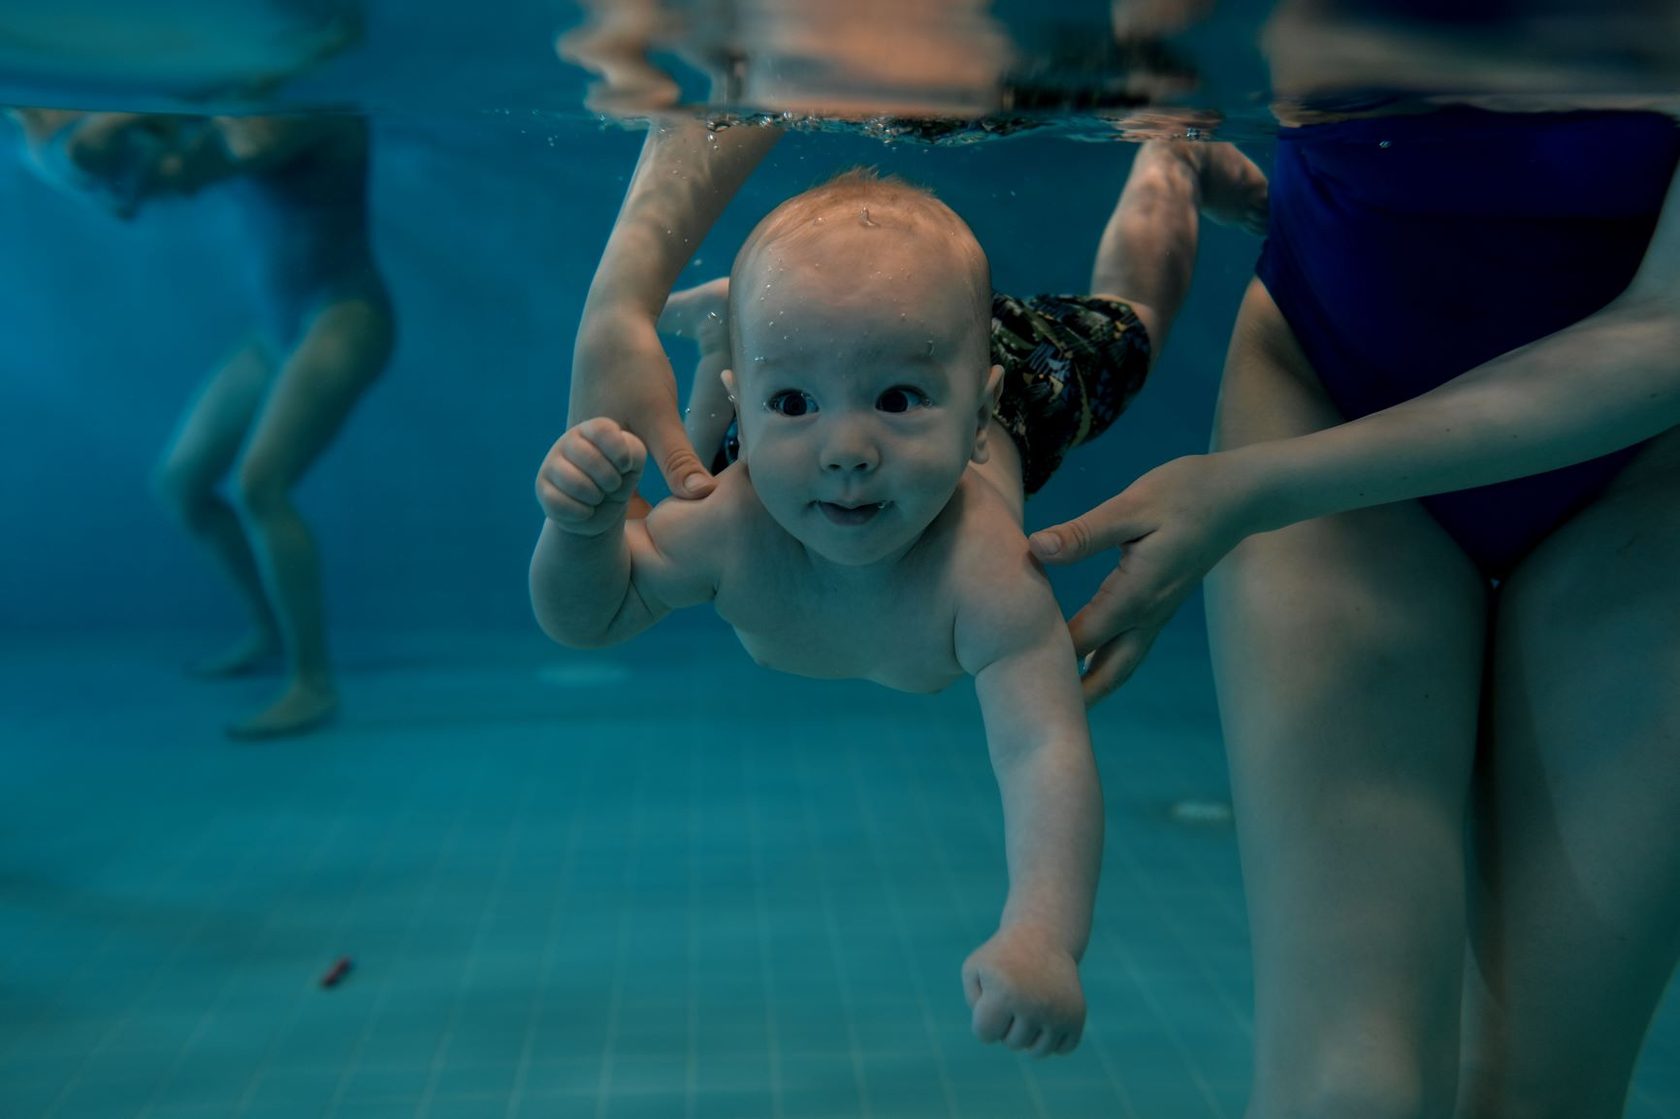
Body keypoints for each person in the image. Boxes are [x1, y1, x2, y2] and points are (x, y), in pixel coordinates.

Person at [544, 121, 1266, 1055]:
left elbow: (1042, 751)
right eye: (797, 402)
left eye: (896, 402)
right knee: (745, 432)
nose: (850, 449)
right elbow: (587, 616)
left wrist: (1044, 934)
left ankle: (1171, 157)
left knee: (1129, 330)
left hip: (1017, 382)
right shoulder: (730, 522)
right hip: (780, 429)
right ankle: (741, 349)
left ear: (974, 415)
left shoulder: (986, 576)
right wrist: (583, 529)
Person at [1025, 100, 1680, 1118]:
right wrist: (1175, 154)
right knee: (1348, 1090)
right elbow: (1158, 85)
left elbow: (1667, 332)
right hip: (1320, 385)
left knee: (1545, 1093)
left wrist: (1253, 488)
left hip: (1646, 470)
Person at [9, 110, 394, 739]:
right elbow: (141, 191)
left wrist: (119, 122)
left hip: (346, 316)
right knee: (181, 485)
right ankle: (268, 631)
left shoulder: (326, 109)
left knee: (259, 488)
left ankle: (313, 683)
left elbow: (207, 163)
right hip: (277, 332)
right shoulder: (233, 104)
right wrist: (82, 145)